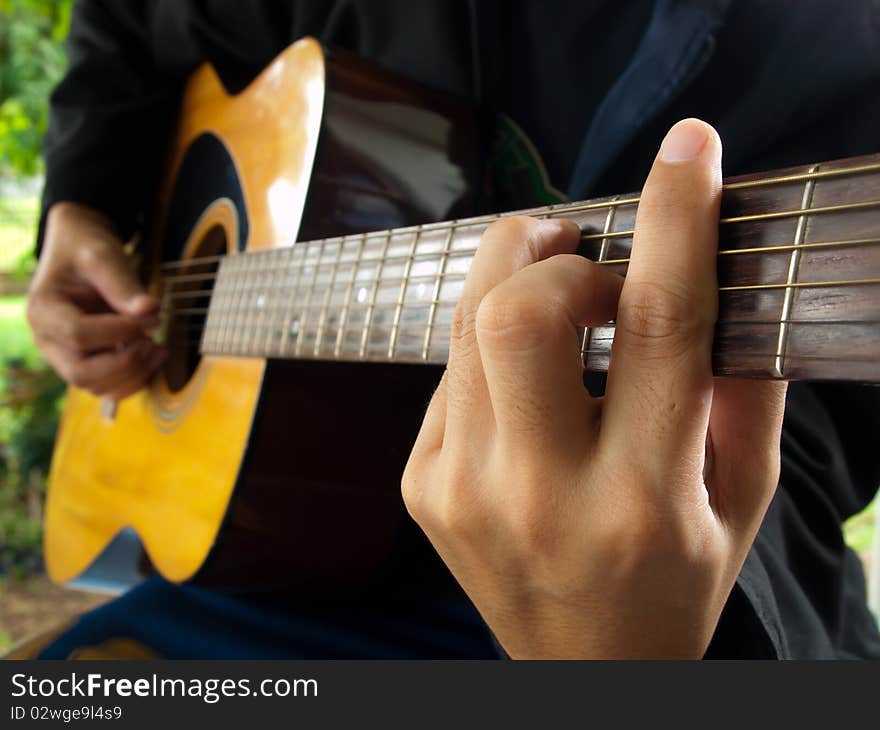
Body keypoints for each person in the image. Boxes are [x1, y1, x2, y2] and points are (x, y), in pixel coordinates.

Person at [19, 0, 880, 658]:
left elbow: (812, 433)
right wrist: (80, 201)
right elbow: (128, 23)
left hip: (648, 616)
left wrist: (631, 648)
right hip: (275, 563)